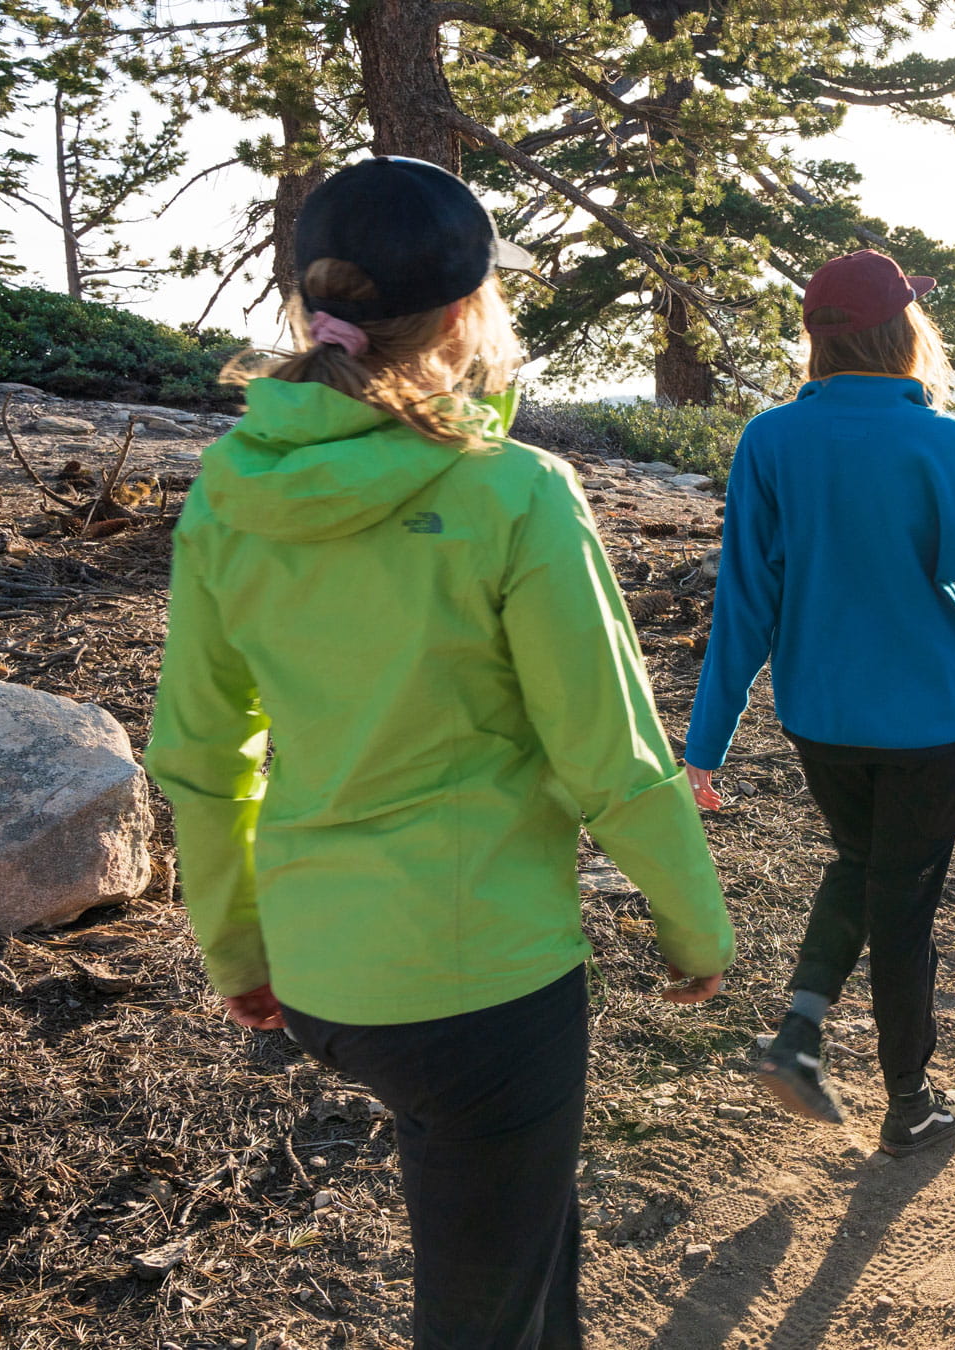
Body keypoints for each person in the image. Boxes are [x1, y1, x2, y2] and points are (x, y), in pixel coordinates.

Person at [146, 156, 734, 1350]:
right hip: (482, 982)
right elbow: (606, 751)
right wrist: (695, 926)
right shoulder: (513, 492)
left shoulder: (231, 486)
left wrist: (236, 944)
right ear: (471, 312)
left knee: (522, 1253)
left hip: (319, 972)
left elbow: (204, 753)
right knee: (487, 1302)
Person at [683, 248, 955, 1157]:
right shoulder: (943, 442)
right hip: (928, 717)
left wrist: (707, 738)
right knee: (904, 902)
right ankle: (909, 1098)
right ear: (903, 331)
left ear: (817, 342)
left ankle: (799, 1036)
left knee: (861, 862)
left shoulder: (770, 440)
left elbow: (744, 604)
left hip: (819, 715)